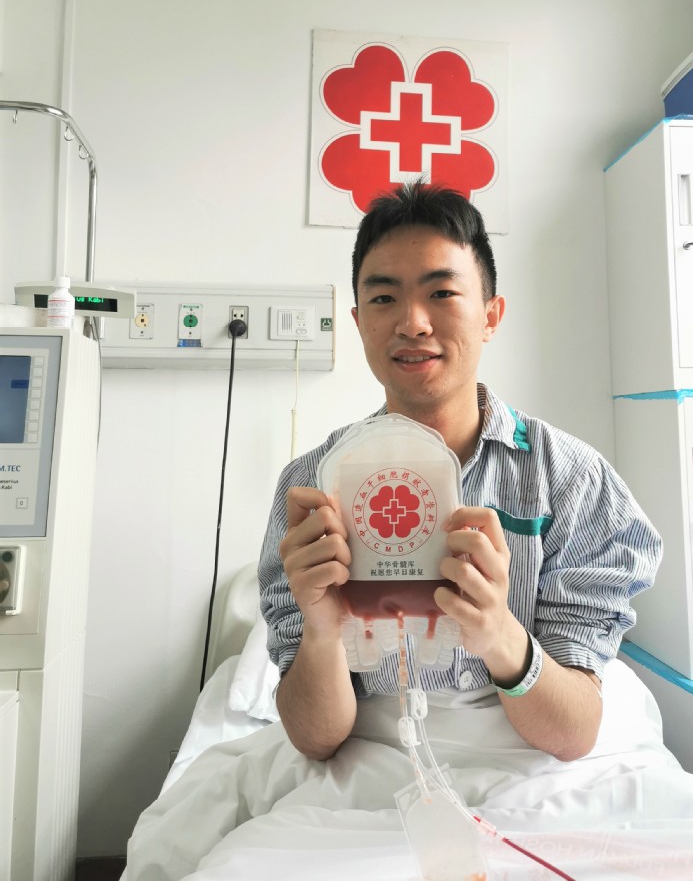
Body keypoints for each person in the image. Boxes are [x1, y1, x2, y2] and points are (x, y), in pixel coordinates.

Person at [258, 182, 661, 764]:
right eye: (383, 298)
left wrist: (498, 632)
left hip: (527, 766)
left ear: (491, 316)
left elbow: (573, 733)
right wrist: (322, 632)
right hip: (369, 764)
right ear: (359, 322)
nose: (412, 323)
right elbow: (315, 739)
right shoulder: (312, 488)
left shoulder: (571, 481)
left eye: (442, 292)